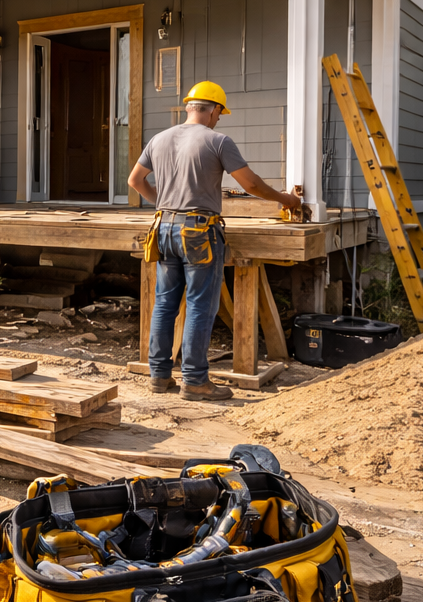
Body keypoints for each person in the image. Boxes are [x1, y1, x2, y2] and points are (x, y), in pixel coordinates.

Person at [128, 82, 302, 402]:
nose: (220, 120)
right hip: (198, 232)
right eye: (220, 114)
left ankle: (159, 375)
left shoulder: (159, 138)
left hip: (163, 228)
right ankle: (194, 381)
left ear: (189, 106)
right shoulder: (218, 141)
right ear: (215, 110)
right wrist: (285, 200)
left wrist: (165, 205)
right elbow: (250, 184)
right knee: (199, 305)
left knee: (165, 303)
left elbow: (135, 181)